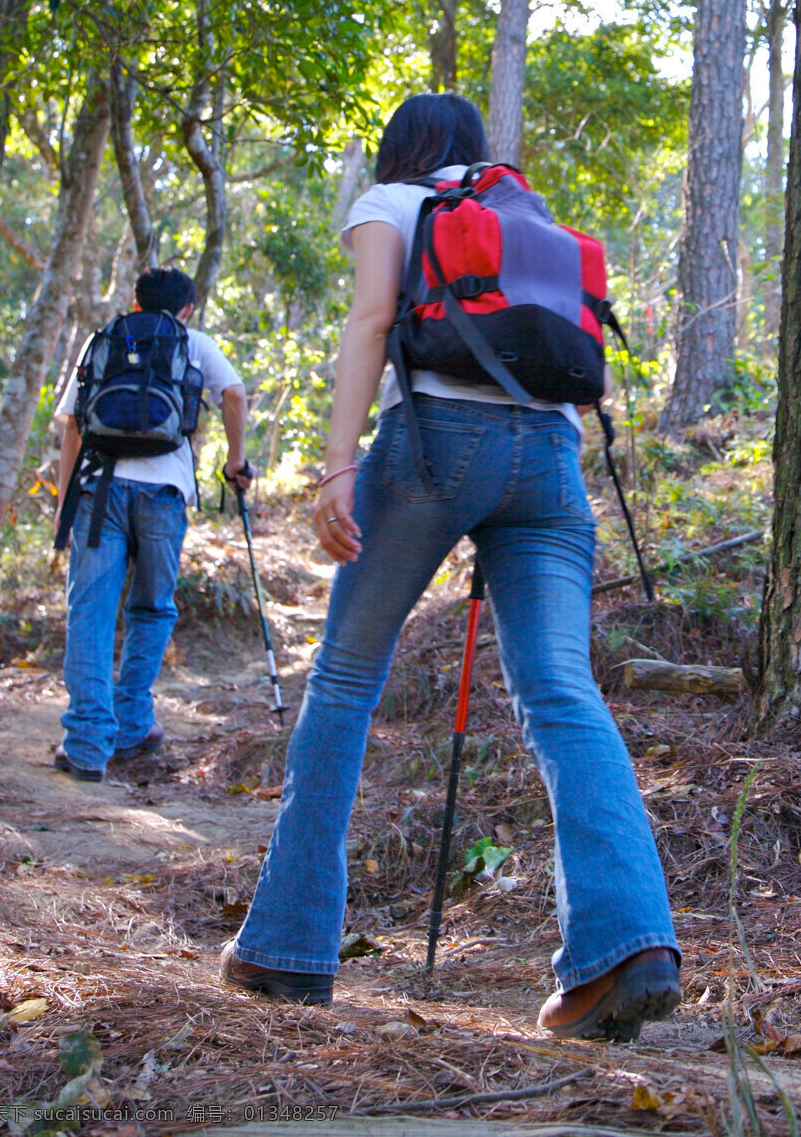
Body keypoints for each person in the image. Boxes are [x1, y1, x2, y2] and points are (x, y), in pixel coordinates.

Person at [221, 93, 681, 1041]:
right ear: (478, 155)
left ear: (401, 150)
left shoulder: (392, 203)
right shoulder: (530, 218)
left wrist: (339, 463)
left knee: (346, 679)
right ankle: (628, 945)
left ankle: (288, 946)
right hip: (551, 459)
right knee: (562, 688)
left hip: (433, 443)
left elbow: (373, 322)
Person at [52, 265, 251, 783]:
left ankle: (87, 746)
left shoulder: (104, 338)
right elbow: (234, 394)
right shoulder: (194, 340)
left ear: (136, 302)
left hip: (99, 491)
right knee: (152, 609)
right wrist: (235, 461)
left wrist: (63, 503)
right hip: (164, 494)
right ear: (186, 307)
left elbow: (73, 427)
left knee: (90, 611)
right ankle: (133, 723)